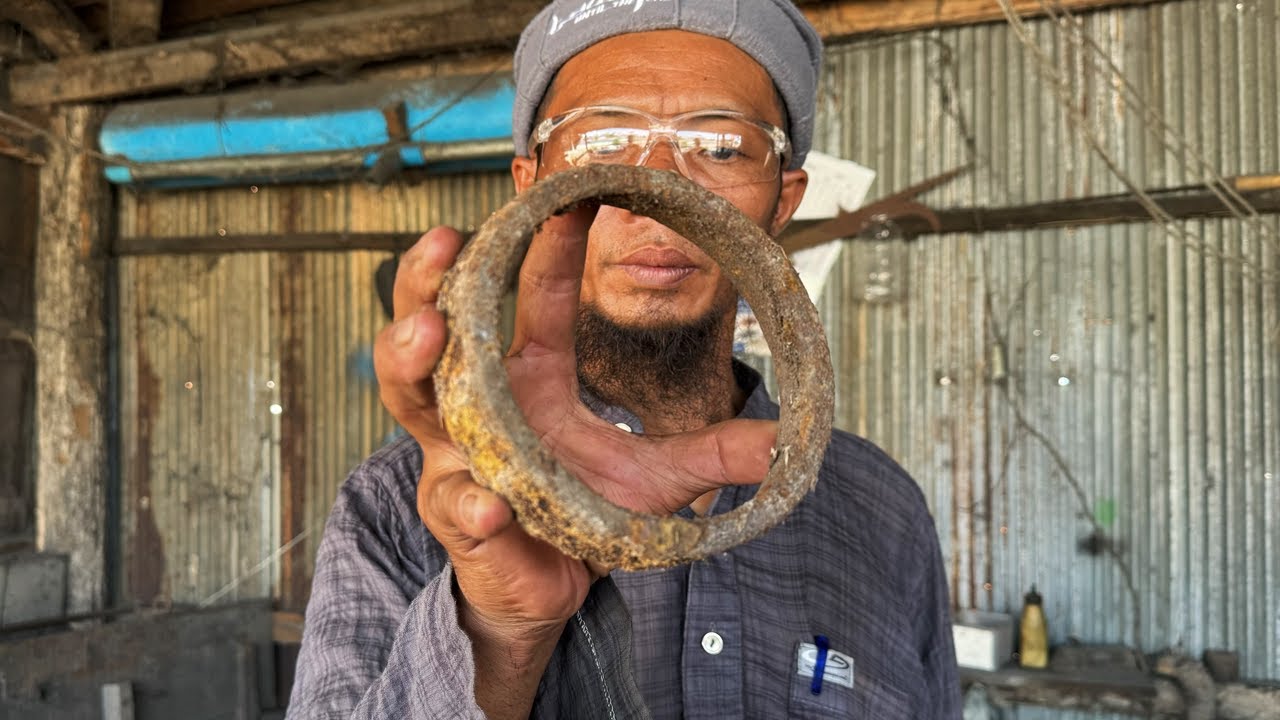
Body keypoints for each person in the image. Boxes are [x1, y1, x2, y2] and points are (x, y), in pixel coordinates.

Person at [287, 1, 961, 717]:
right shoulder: (394, 509)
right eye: (605, 138)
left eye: (723, 147)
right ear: (533, 183)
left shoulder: (883, 510)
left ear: (783, 200)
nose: (657, 191)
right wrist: (502, 631)